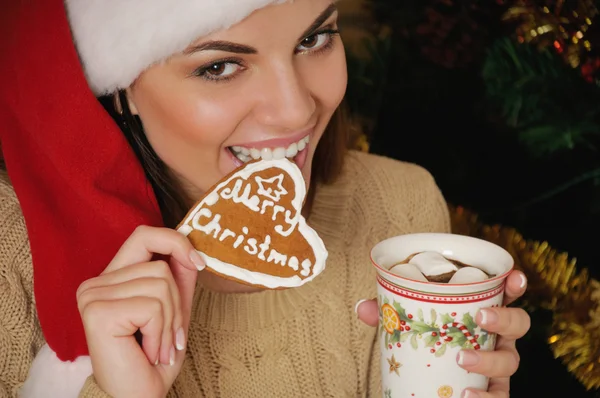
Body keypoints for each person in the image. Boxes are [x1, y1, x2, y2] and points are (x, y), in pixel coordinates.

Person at [0, 0, 530, 397]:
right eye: (220, 66)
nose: (296, 110)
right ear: (122, 87)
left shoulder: (399, 211)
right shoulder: (12, 256)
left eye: (314, 39)